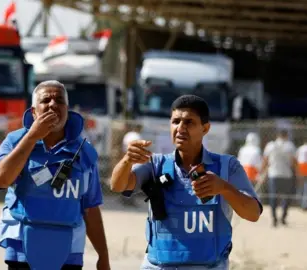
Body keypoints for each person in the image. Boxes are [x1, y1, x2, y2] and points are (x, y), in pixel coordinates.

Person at [109, 95, 263, 270]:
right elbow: (117, 185)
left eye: (189, 122)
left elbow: (253, 214)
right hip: (158, 266)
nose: (180, 128)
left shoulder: (227, 167)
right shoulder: (156, 165)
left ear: (205, 128)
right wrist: (127, 161)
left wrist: (224, 188)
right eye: (176, 122)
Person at [0, 80, 110, 270]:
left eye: (59, 101)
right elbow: (1, 180)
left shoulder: (84, 152)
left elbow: (91, 208)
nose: (53, 104)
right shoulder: (14, 141)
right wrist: (31, 138)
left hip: (69, 253)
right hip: (23, 251)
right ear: (34, 112)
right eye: (46, 100)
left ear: (67, 111)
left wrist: (103, 255)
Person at [261, 129, 297, 227]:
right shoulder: (290, 146)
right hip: (286, 174)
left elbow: (265, 160)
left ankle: (274, 218)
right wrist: (297, 173)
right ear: (286, 136)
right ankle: (283, 217)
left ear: (277, 135)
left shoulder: (270, 145)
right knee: (286, 197)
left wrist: (262, 171)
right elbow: (294, 162)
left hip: (274, 174)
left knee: (273, 196)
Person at [296, 138, 307, 210]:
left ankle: (298, 202)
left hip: (301, 167)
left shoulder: (301, 148)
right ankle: (305, 204)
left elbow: (296, 158)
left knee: (300, 187)